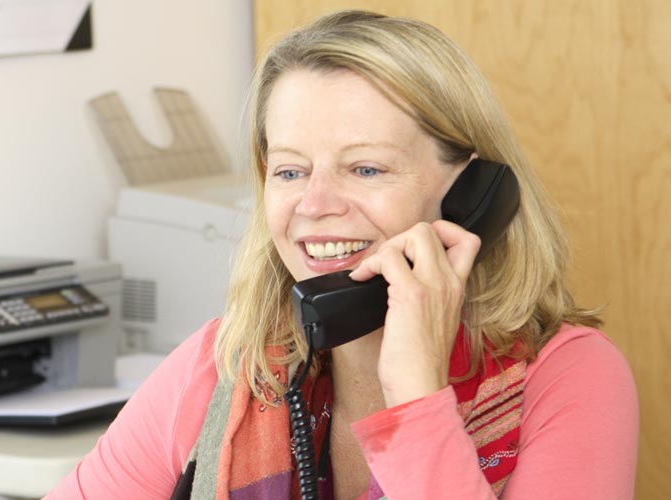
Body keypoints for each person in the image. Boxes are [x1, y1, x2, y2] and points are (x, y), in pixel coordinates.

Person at [47, 10, 638, 500]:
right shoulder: (226, 365)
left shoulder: (568, 375)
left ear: (472, 193)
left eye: (366, 167)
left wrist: (416, 395)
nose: (316, 202)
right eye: (290, 170)